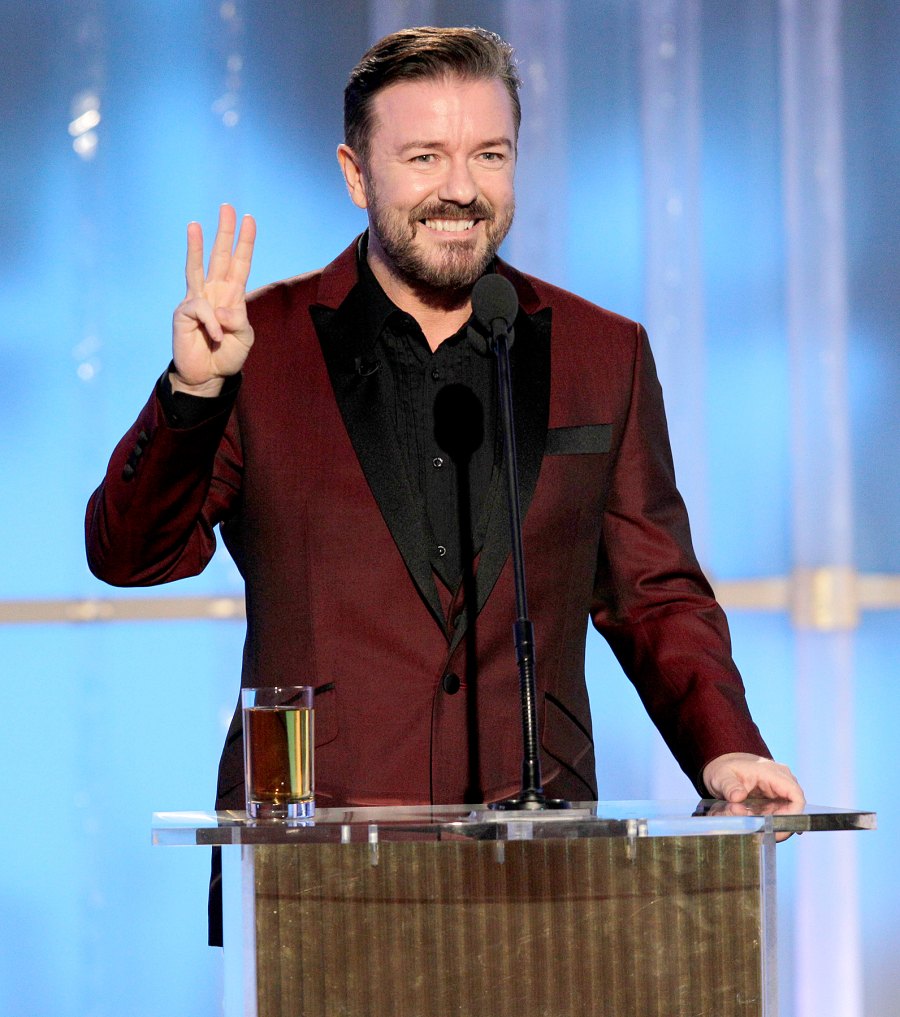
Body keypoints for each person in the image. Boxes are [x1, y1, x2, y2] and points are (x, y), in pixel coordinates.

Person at [85, 26, 804, 944]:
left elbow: (654, 591)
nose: (460, 189)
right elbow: (130, 555)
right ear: (357, 174)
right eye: (424, 156)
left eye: (488, 155)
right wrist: (193, 391)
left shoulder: (600, 352)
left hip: (539, 863)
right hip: (318, 870)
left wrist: (725, 743)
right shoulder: (256, 350)